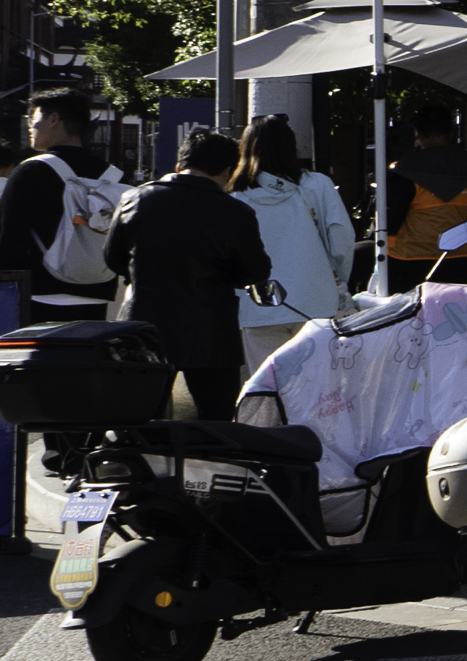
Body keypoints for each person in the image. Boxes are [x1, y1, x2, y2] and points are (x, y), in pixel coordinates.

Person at [104, 129, 271, 421]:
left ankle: (145, 465)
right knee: (216, 420)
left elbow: (113, 258)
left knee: (143, 418)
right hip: (210, 329)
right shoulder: (235, 211)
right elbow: (255, 270)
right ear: (227, 170)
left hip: (144, 327)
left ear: (180, 163)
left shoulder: (135, 199)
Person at [231, 116, 357, 373]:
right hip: (316, 303)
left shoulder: (235, 196)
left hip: (258, 306)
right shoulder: (317, 184)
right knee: (316, 389)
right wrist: (338, 281)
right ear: (291, 146)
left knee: (268, 389)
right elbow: (342, 239)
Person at [0, 90, 122, 315]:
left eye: (32, 118)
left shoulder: (31, 170)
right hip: (97, 294)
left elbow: (8, 239)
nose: (30, 126)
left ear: (54, 119)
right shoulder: (112, 176)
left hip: (39, 295)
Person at [386, 104, 467, 291]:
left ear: (418, 133)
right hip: (459, 262)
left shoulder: (405, 169)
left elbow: (390, 221)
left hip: (408, 263)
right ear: (451, 131)